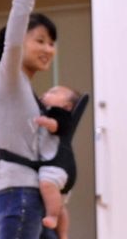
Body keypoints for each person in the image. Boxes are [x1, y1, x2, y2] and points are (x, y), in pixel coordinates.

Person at [0, 0, 59, 239]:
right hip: (19, 195)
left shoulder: (27, 90)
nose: (48, 49)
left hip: (30, 194)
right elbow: (13, 41)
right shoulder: (10, 80)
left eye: (52, 43)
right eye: (40, 40)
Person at [36, 85, 81, 239]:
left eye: (53, 92)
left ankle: (52, 216)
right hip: (62, 168)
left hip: (57, 167)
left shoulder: (60, 114)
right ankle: (63, 234)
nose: (46, 93)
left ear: (67, 106)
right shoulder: (52, 112)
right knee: (60, 205)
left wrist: (46, 122)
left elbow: (56, 126)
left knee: (45, 184)